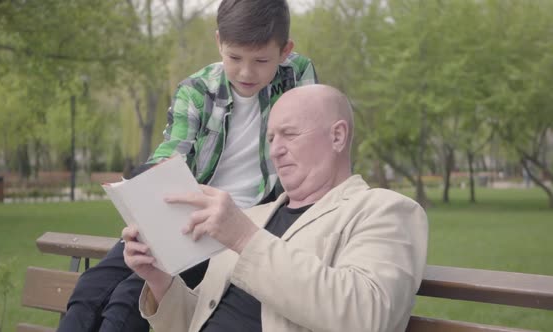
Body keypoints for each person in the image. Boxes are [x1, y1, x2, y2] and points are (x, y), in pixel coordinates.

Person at [57, 0, 317, 330]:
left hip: (236, 227)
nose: (246, 72)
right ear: (218, 42)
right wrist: (154, 175)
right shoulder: (197, 89)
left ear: (284, 52)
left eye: (261, 60)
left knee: (128, 299)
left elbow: (310, 144)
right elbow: (173, 150)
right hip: (183, 216)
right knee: (90, 288)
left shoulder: (298, 76)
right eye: (234, 58)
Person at [123, 85, 429, 332]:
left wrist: (245, 238)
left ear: (337, 136)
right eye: (270, 138)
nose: (275, 150)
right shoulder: (254, 217)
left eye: (290, 134)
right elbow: (196, 322)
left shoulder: (384, 211)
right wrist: (160, 279)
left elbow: (366, 318)